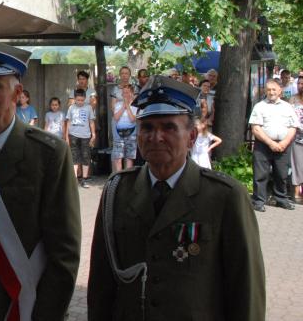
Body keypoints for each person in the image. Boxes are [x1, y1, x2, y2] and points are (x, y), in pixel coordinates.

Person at [88, 75, 266, 321]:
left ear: (191, 137)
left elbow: (245, 289)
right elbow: (101, 283)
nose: (156, 137)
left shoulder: (224, 196)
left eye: (169, 127)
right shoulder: (117, 191)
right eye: (147, 128)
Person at [0, 36, 81, 321]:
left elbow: (65, 250)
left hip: (32, 301)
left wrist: (47, 313)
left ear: (17, 92)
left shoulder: (49, 152)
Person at [248, 78, 297, 211]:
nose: (271, 92)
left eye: (274, 89)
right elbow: (255, 128)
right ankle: (258, 201)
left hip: (283, 145)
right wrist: (270, 143)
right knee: (260, 174)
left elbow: (293, 127)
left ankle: (281, 199)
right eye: (268, 89)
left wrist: (284, 143)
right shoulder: (259, 106)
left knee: (281, 174)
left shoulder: (288, 107)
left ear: (280, 90)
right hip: (263, 145)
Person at [65, 88, 96, 188]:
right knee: (74, 156)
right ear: (74, 99)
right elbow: (68, 122)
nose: (80, 102)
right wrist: (66, 136)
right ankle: (74, 179)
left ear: (85, 98)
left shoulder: (89, 108)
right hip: (73, 135)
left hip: (85, 135)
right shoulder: (71, 108)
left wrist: (93, 134)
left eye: (82, 100)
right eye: (78, 100)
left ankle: (84, 179)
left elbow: (91, 121)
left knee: (86, 156)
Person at [111, 84, 137, 173]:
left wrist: (128, 106)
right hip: (119, 134)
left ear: (132, 93)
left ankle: (128, 177)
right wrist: (123, 107)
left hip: (131, 133)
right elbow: (116, 118)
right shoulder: (117, 105)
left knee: (129, 158)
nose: (125, 95)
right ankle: (119, 176)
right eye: (123, 93)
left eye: (127, 92)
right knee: (118, 158)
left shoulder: (135, 105)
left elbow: (132, 119)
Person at [289, 76, 303, 204]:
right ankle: (296, 193)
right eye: (299, 83)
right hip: (297, 137)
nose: (300, 86)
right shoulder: (293, 99)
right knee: (297, 165)